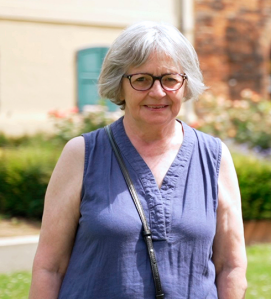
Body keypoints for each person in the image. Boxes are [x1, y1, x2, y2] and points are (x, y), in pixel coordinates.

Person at [30, 22, 247, 299]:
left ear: (185, 83)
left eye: (170, 79)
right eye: (142, 79)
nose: (158, 92)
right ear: (119, 86)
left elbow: (231, 266)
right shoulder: (82, 154)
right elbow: (50, 267)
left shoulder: (214, 157)